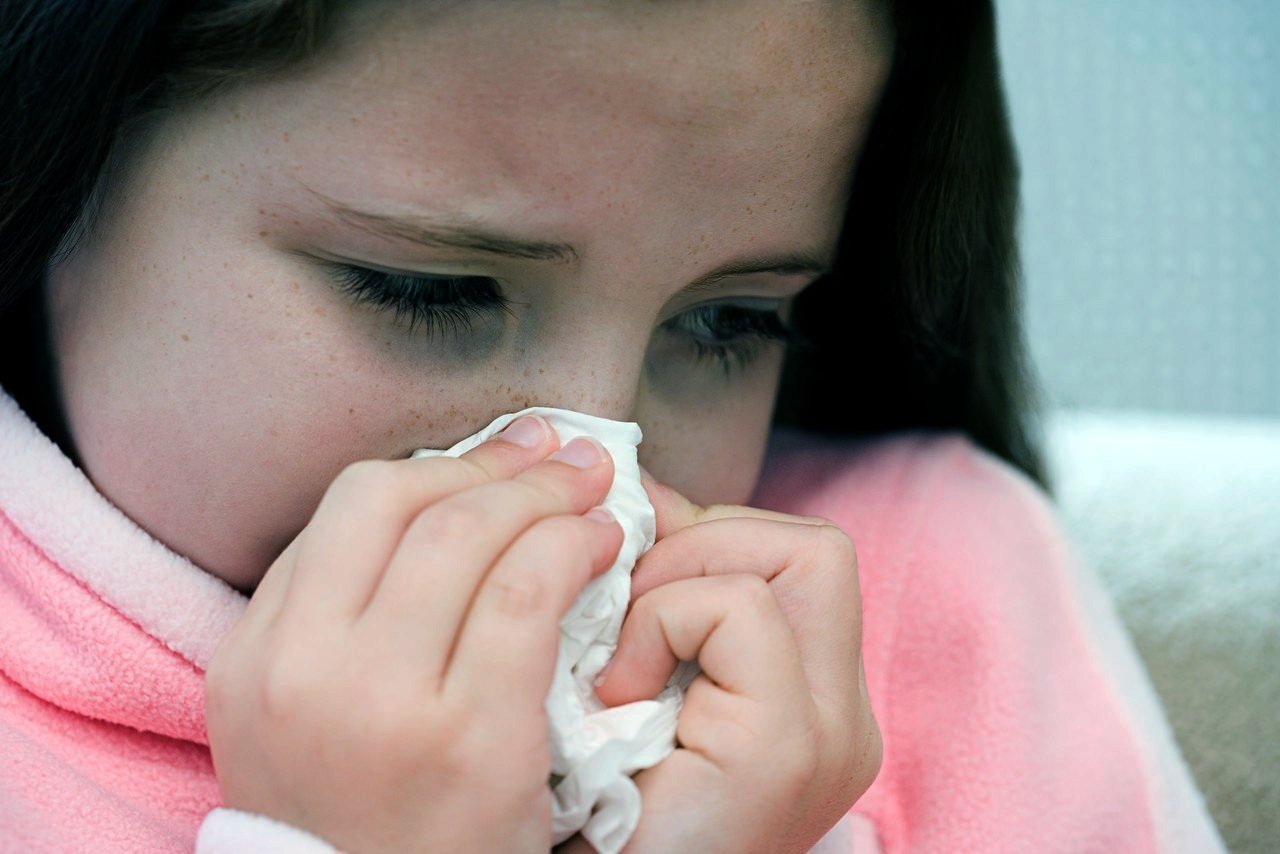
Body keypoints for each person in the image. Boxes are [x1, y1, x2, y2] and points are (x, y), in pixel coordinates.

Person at [0, 0, 1224, 851]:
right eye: (432, 292)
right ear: (52, 166)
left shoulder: (938, 581)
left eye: (729, 322)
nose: (597, 458)